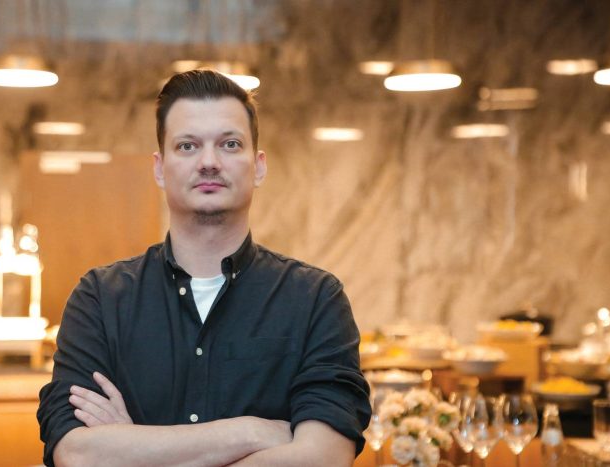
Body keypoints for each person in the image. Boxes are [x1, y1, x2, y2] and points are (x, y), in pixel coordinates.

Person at [37, 69, 371, 467]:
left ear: (258, 166)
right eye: (188, 146)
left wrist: (136, 449)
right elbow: (76, 454)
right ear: (160, 167)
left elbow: (323, 459)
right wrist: (251, 432)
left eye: (230, 144)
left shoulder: (316, 299)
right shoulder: (99, 299)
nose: (209, 162)